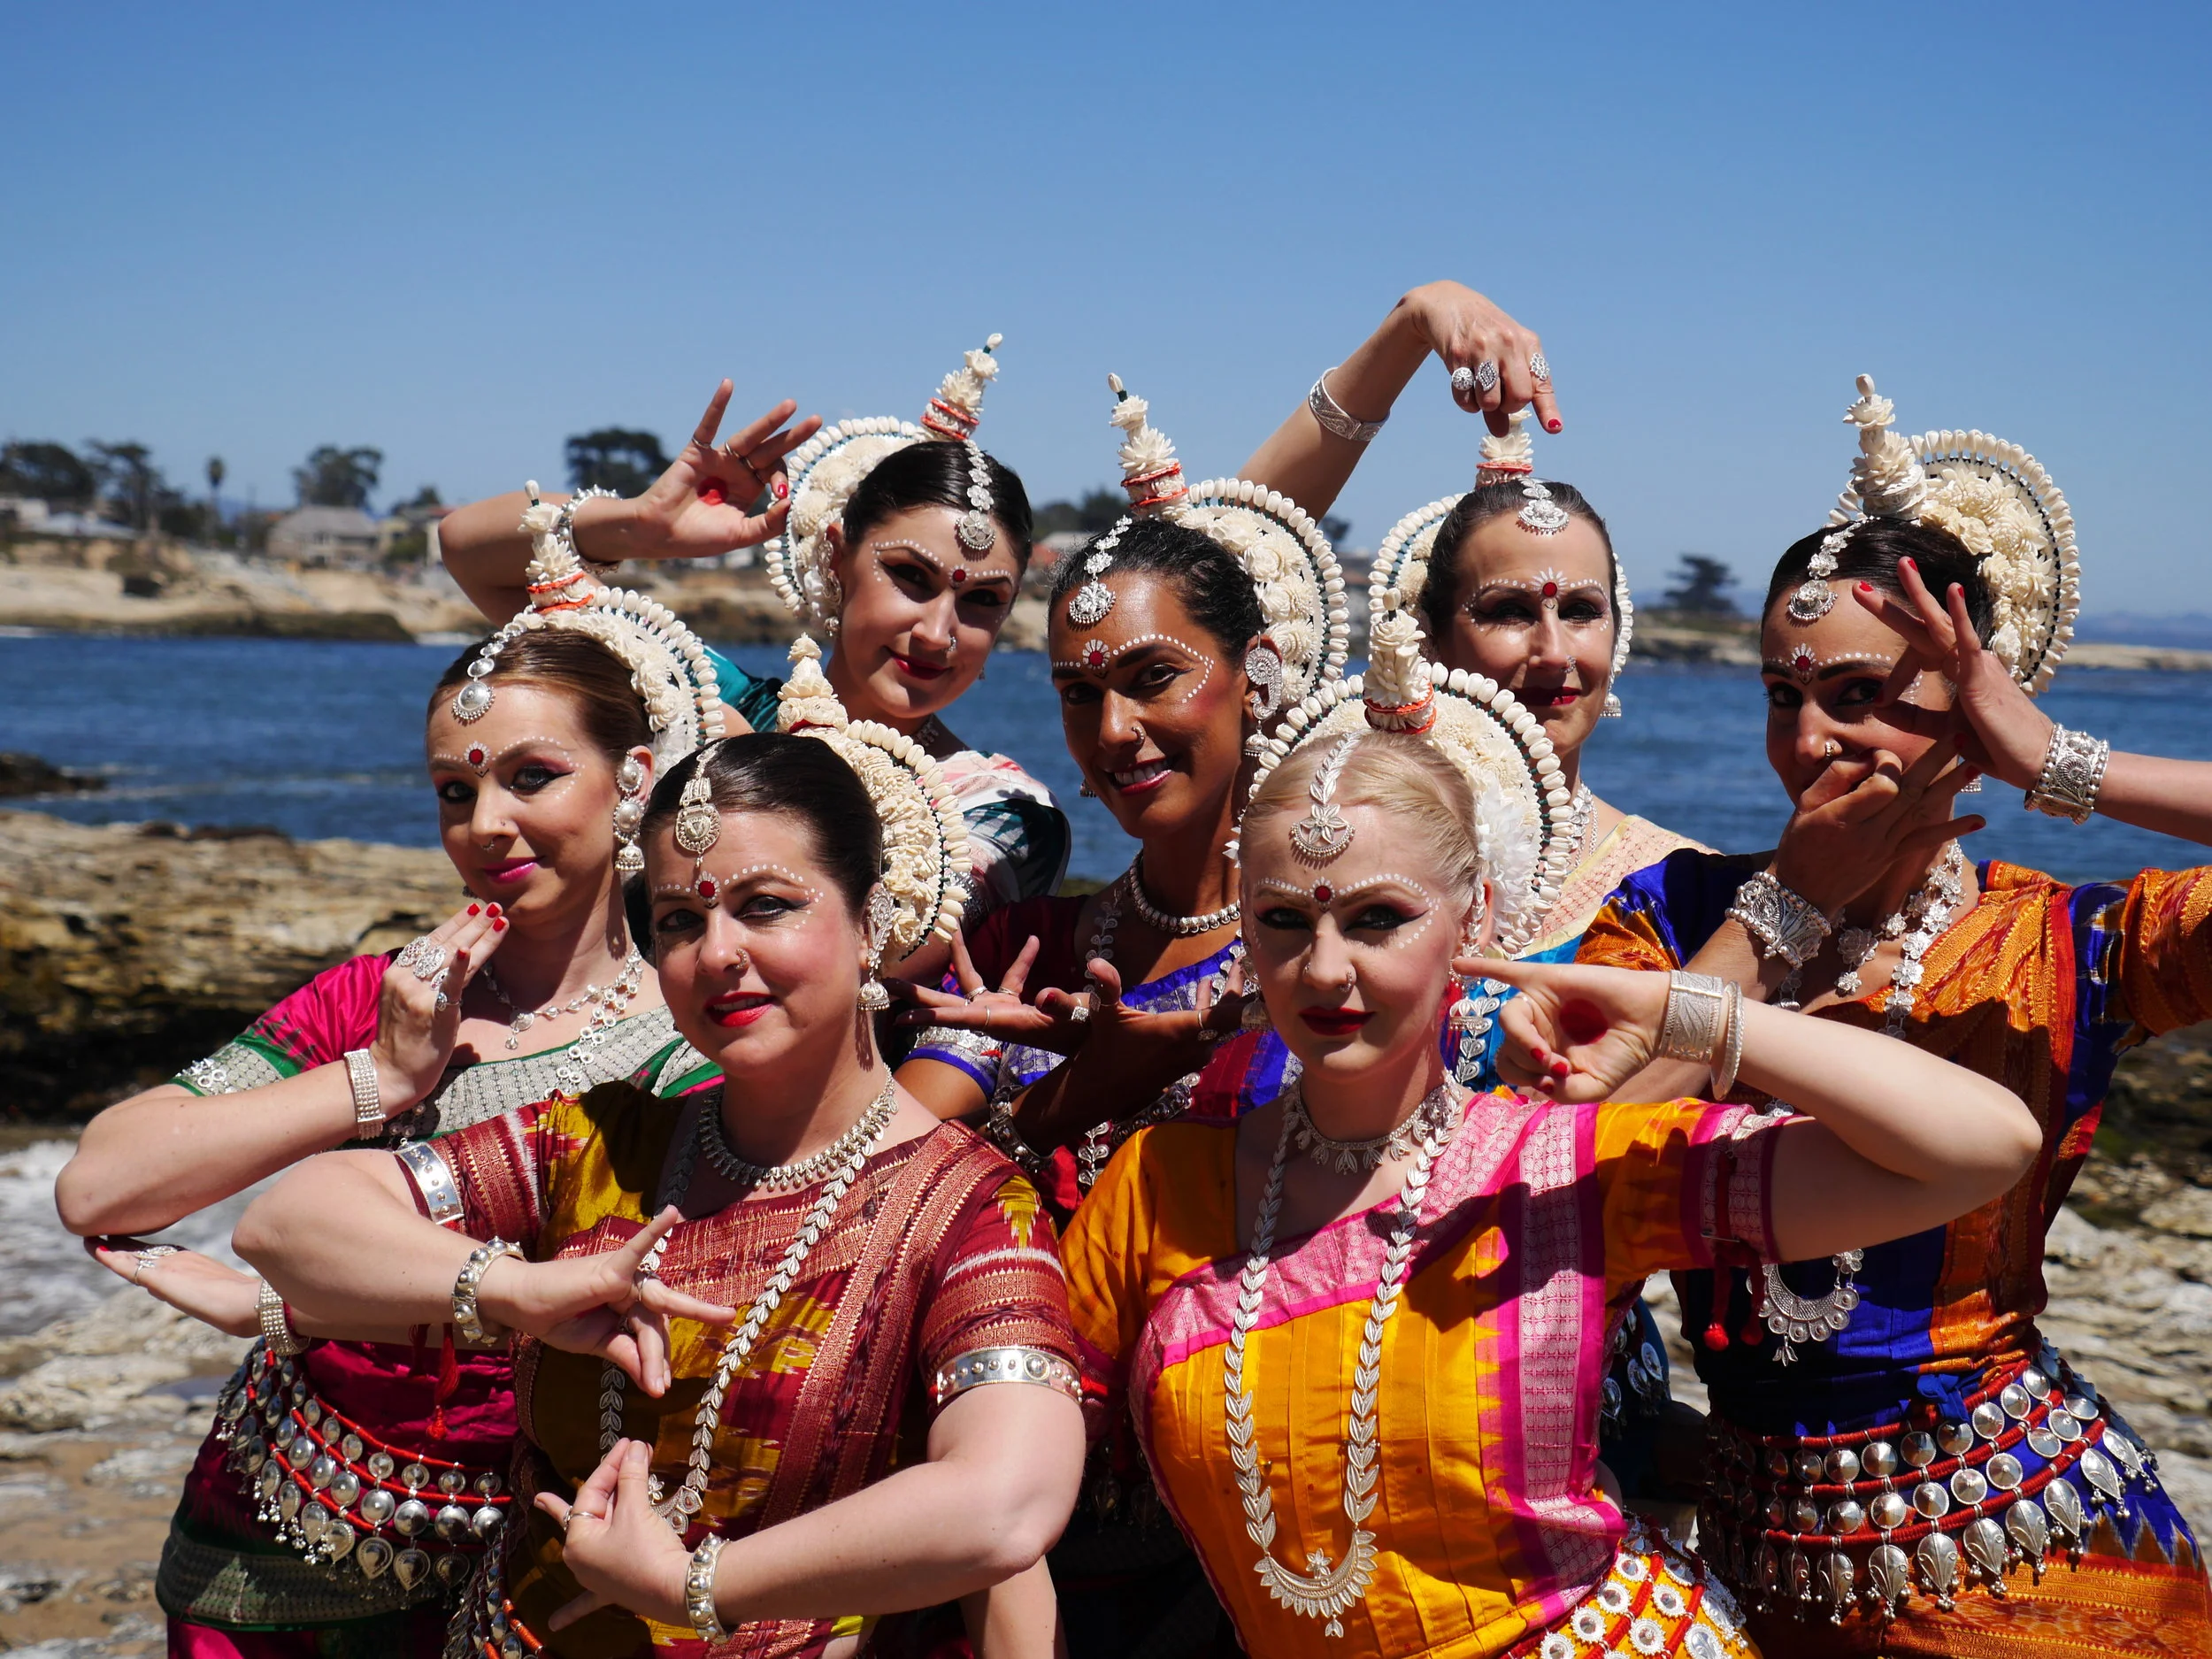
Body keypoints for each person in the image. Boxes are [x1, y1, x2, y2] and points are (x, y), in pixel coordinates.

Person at [1056, 624, 2041, 1659]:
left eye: (1379, 918)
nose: (1327, 969)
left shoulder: (1561, 1171)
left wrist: (1682, 1011)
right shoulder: (1161, 1186)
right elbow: (1020, 1455)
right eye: (1286, 921)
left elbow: (1982, 1145)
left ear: (1473, 919)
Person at [1578, 377, 2212, 1652]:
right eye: (1783, 693)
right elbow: (1553, 1169)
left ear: (1972, 705)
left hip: (2031, 1563)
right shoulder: (1671, 917)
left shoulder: (2065, 946)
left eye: (1861, 696)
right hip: (1752, 1571)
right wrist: (1784, 912)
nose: (1809, 740)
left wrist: (2057, 762)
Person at [234, 724, 1086, 1658]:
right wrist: (517, 1290)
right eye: (680, 919)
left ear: (871, 919)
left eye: (765, 906)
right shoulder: (603, 1140)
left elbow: (1008, 1502)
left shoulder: (966, 1209)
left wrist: (695, 1587)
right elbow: (286, 1220)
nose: (716, 953)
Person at [54, 534, 730, 1655]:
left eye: (530, 777)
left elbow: (647, 1308)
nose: (485, 825)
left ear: (636, 780)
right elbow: (100, 1187)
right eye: (456, 791)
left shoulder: (691, 1038)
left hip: (541, 1553)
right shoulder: (391, 1000)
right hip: (269, 1530)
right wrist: (379, 1079)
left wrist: (281, 1309)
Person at [438, 339, 1069, 964]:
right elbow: (467, 547)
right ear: (837, 557)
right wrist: (640, 525)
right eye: (910, 576)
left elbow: (888, 955)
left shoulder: (1000, 809)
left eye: (982, 600)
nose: (937, 631)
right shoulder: (699, 698)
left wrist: (741, 770)